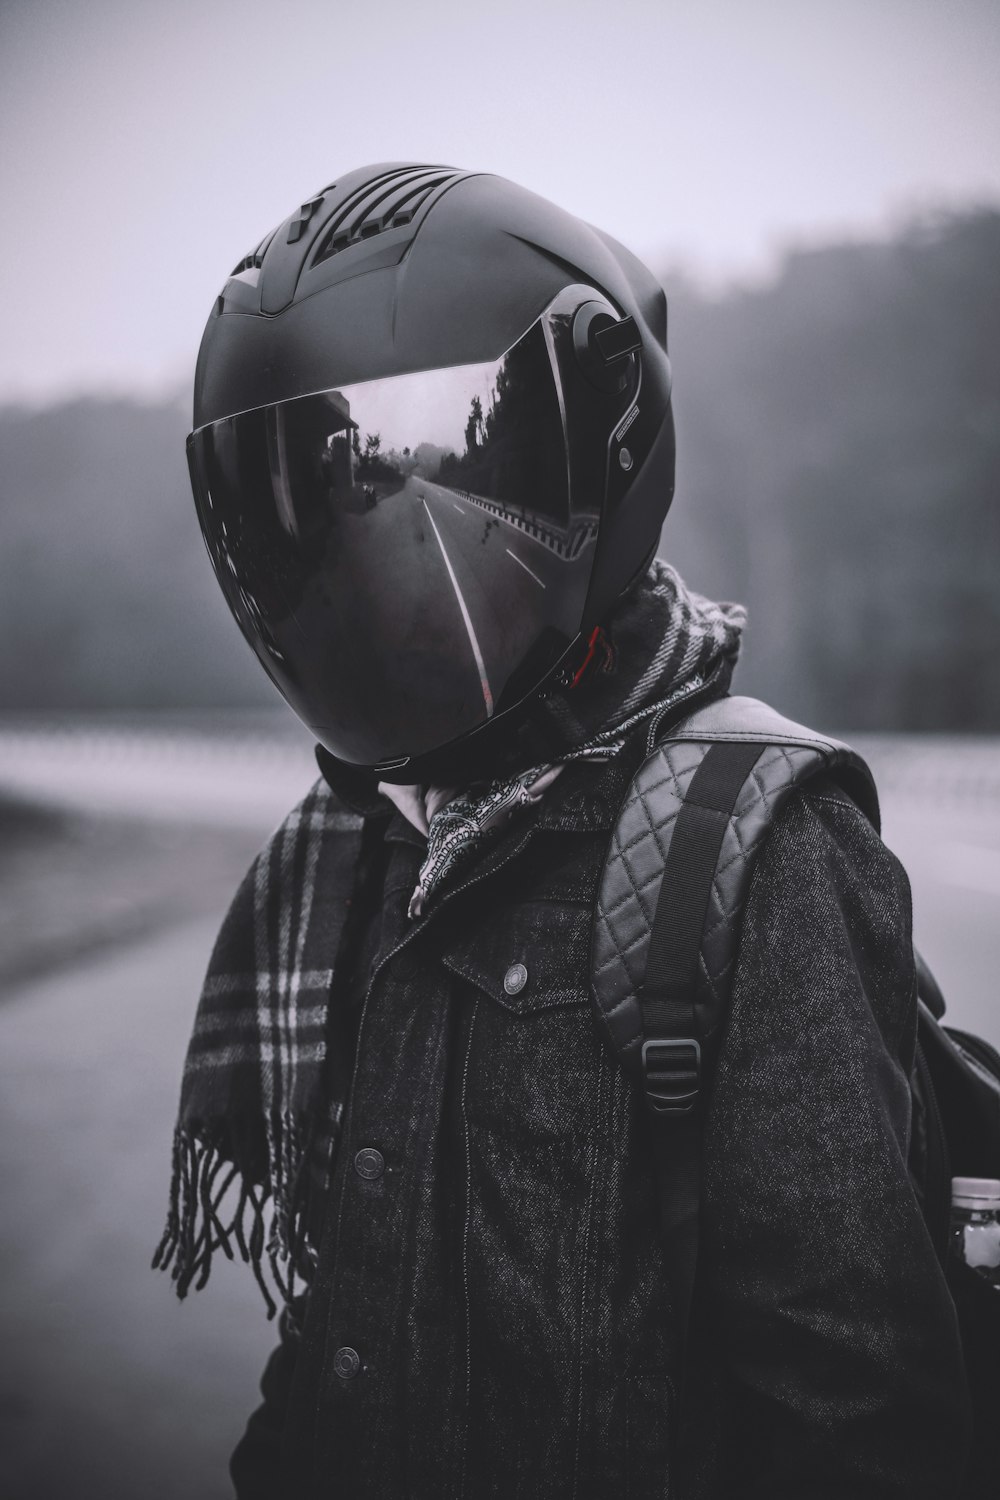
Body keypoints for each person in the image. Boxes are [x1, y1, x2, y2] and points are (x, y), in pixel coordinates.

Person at [156, 163, 972, 1497]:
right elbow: (338, 1336)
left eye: (426, 478)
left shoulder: (759, 848)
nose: (369, 572)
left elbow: (860, 1418)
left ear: (603, 451)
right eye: (311, 500)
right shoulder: (371, 842)